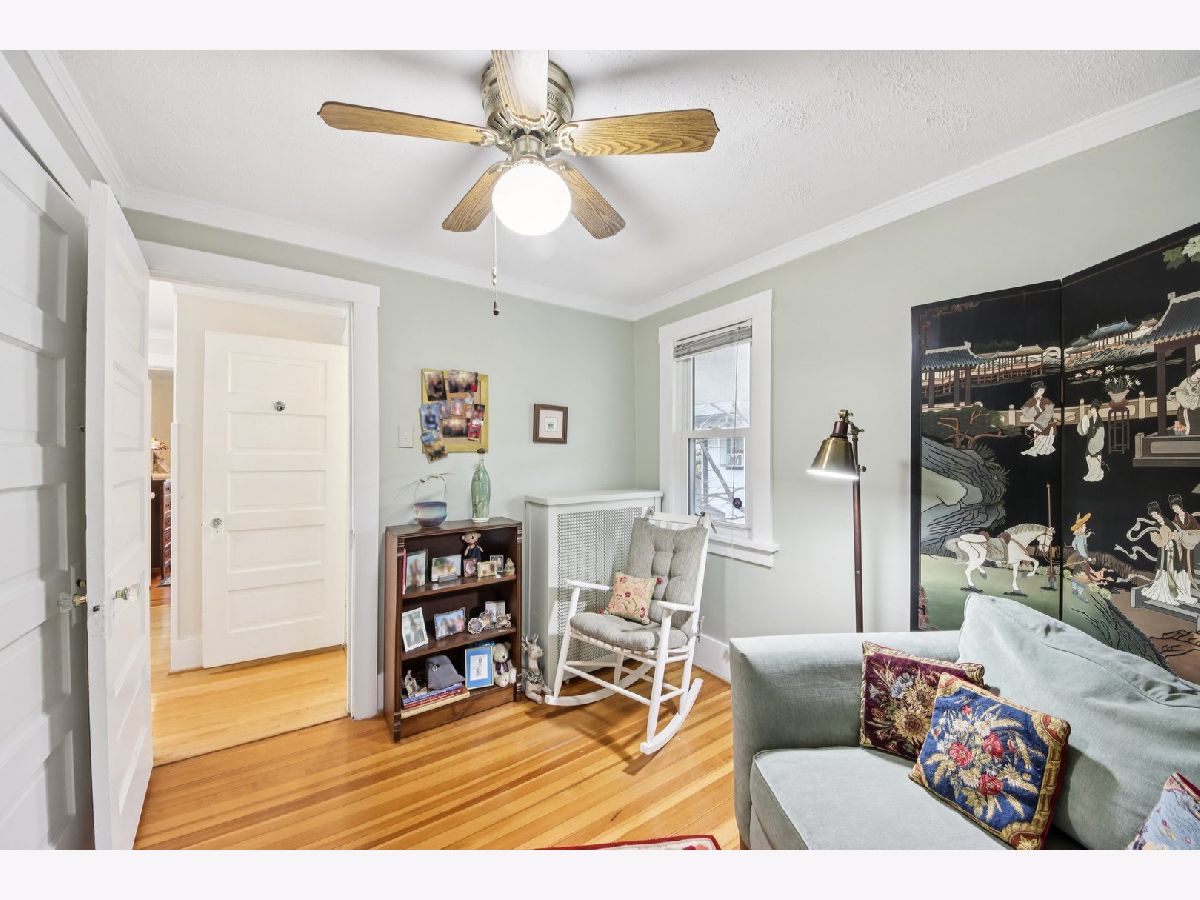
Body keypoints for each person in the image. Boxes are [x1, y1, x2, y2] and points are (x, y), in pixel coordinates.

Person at [1020, 381, 1057, 456]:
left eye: (1043, 390)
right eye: (1040, 390)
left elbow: (1049, 412)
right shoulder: (1031, 401)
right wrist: (1036, 408)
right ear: (1036, 390)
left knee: (1046, 446)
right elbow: (1026, 415)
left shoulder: (1046, 400)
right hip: (1037, 425)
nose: (1042, 391)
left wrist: (1038, 425)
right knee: (1038, 444)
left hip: (1048, 425)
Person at [1168, 361, 1200, 435]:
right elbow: (1180, 396)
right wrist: (1196, 400)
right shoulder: (1185, 383)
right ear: (1194, 371)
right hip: (1186, 408)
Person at [1076, 400, 1105, 481]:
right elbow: (1084, 430)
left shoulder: (1100, 421)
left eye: (1092, 409)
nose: (1091, 411)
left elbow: (1101, 434)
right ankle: (1091, 472)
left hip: (1097, 442)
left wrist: (1095, 439)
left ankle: (1097, 473)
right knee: (1088, 457)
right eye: (1091, 409)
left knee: (1096, 458)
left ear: (1096, 410)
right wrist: (1083, 425)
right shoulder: (1089, 420)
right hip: (1090, 442)